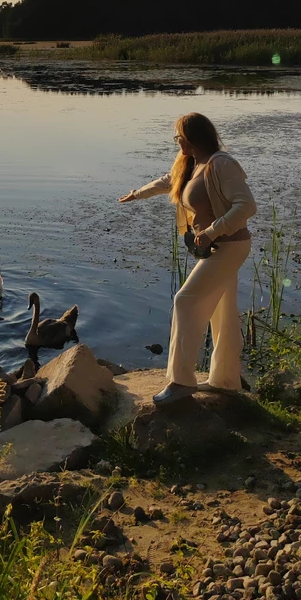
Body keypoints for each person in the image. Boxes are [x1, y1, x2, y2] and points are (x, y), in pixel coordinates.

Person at [119, 112, 257, 406]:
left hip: (230, 246)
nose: (177, 140)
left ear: (193, 138)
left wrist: (209, 232)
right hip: (216, 247)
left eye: (179, 136)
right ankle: (225, 380)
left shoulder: (221, 163)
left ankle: (181, 381)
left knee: (185, 300)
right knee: (222, 310)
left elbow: (246, 206)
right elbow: (168, 182)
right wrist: (137, 194)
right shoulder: (192, 164)